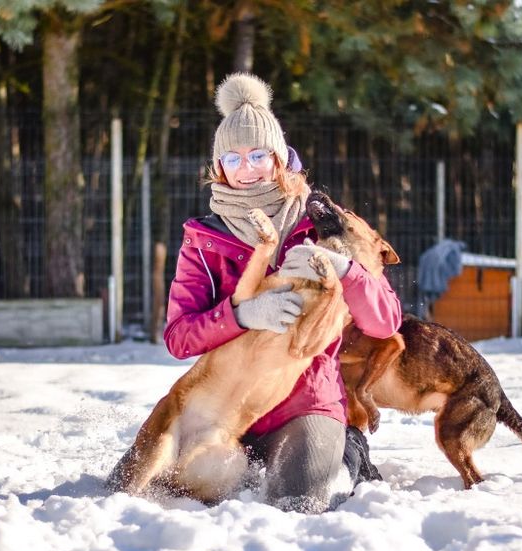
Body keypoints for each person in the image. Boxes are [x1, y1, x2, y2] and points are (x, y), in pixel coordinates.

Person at [163, 72, 402, 512]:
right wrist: (241, 315)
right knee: (136, 488)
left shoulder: (326, 224)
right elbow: (179, 337)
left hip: (304, 405)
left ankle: (345, 451)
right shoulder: (203, 240)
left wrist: (347, 270)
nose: (247, 168)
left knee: (295, 505)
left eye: (258, 154)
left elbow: (385, 321)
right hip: (224, 408)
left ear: (279, 158)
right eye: (232, 159)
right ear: (219, 169)